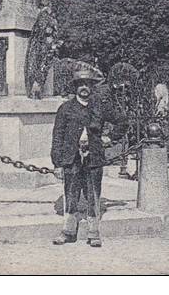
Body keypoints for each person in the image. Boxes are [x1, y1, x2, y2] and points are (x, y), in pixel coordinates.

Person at [50, 66, 125, 248]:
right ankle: (68, 231)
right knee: (71, 194)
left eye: (88, 84)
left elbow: (122, 121)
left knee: (93, 194)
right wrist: (57, 163)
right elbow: (57, 136)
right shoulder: (65, 109)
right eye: (80, 84)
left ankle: (93, 232)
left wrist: (110, 138)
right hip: (71, 158)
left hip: (94, 158)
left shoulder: (100, 106)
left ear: (92, 87)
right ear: (75, 87)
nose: (84, 87)